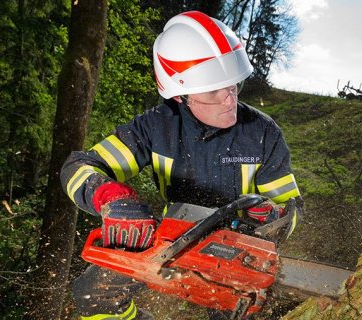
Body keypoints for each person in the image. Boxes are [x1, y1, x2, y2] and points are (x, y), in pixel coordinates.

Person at [61, 11, 303, 320]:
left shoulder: (262, 132)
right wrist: (111, 197)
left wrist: (274, 216)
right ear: (180, 95)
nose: (229, 100)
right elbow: (79, 165)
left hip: (239, 250)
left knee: (244, 311)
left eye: (232, 87)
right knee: (94, 294)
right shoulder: (155, 127)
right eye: (214, 90)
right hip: (173, 241)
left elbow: (291, 207)